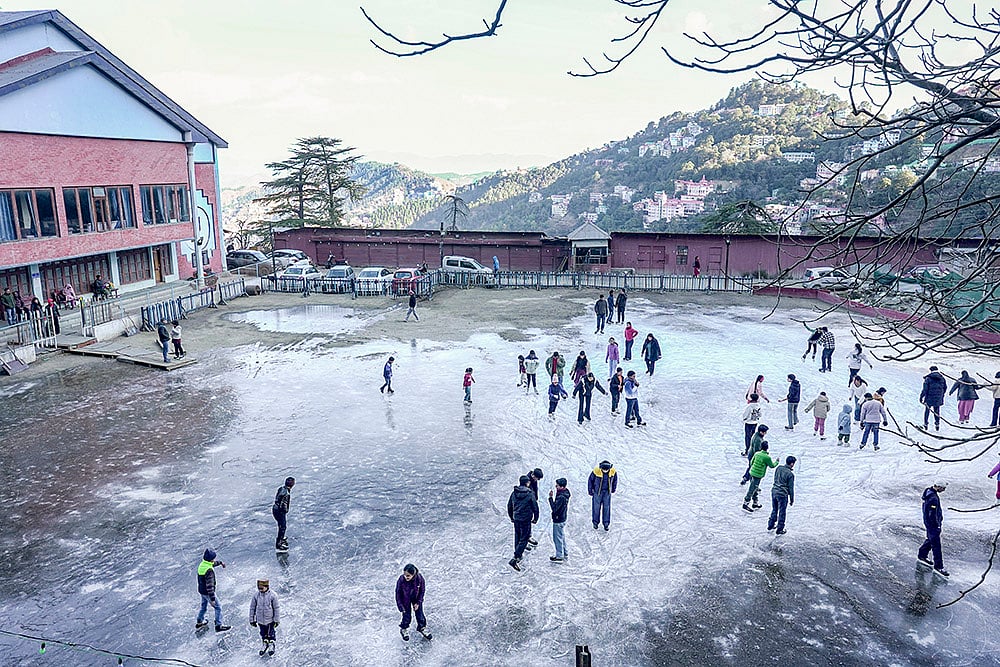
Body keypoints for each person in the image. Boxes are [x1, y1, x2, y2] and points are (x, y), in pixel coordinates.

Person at [917, 481, 950, 578]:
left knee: (930, 540)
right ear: (938, 487)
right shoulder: (933, 498)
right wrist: (937, 525)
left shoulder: (928, 491)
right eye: (943, 488)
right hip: (932, 525)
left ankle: (922, 554)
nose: (944, 490)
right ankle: (938, 566)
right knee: (936, 545)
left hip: (929, 523)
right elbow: (932, 514)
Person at [507, 475, 539, 571]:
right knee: (524, 538)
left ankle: (518, 553)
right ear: (527, 483)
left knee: (517, 536)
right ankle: (515, 558)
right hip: (526, 519)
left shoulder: (514, 493)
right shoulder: (529, 494)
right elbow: (535, 507)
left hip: (516, 518)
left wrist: (511, 517)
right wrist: (535, 518)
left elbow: (509, 506)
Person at [196, 548, 231, 632]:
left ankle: (199, 621)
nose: (214, 560)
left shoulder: (202, 564)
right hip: (208, 592)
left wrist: (220, 563)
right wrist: (212, 599)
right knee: (218, 607)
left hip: (202, 591)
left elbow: (212, 564)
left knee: (203, 606)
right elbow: (210, 586)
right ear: (211, 559)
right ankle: (218, 625)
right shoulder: (209, 570)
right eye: (213, 558)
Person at [395, 564, 431, 640]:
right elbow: (398, 593)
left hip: (416, 598)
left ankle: (422, 627)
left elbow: (422, 590)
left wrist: (418, 602)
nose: (406, 577)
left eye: (408, 575)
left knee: (420, 614)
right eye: (404, 574)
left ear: (413, 574)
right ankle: (404, 628)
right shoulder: (401, 580)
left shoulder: (419, 578)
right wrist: (400, 606)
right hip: (405, 599)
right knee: (406, 615)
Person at [743, 442, 778, 512]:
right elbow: (772, 465)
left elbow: (751, 462)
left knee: (754, 487)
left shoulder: (757, 454)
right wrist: (777, 462)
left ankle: (755, 502)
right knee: (752, 488)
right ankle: (745, 503)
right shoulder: (767, 457)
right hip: (758, 475)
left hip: (752, 472)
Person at [249, 579, 280, 657]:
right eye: (259, 588)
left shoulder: (273, 595)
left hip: (270, 620)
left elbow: (276, 608)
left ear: (267, 587)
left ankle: (271, 644)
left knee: (271, 633)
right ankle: (265, 643)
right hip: (260, 620)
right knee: (263, 633)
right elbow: (252, 607)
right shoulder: (256, 595)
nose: (260, 590)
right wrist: (252, 619)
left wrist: (276, 620)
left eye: (261, 588)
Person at [767, 456, 796, 534]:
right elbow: (791, 488)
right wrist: (792, 499)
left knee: (774, 509)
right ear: (792, 464)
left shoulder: (779, 468)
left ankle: (771, 524)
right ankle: (780, 528)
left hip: (774, 491)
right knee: (782, 512)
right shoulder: (790, 474)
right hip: (782, 494)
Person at [588, 460, 618, 530]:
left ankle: (606, 524)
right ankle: (595, 523)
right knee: (596, 508)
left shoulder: (613, 471)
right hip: (597, 493)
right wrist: (590, 490)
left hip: (607, 493)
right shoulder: (596, 471)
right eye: (604, 470)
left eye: (606, 470)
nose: (605, 471)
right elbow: (590, 480)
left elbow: (615, 480)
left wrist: (613, 489)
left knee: (606, 508)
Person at [549, 478, 571, 562]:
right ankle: (564, 552)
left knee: (557, 537)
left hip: (558, 519)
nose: (555, 486)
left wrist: (550, 498)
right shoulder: (565, 493)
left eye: (557, 485)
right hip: (563, 517)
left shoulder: (561, 497)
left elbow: (554, 508)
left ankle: (559, 555)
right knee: (561, 535)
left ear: (561, 487)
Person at [920, 366, 948, 430]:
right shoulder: (942, 378)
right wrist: (941, 394)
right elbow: (945, 387)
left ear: (930, 370)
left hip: (929, 397)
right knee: (937, 411)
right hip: (938, 397)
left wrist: (921, 397)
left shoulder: (928, 378)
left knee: (927, 411)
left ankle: (926, 424)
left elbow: (925, 389)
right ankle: (937, 424)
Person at [272, 476, 295, 552]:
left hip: (275, 508)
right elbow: (284, 504)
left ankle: (281, 538)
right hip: (279, 511)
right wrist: (285, 511)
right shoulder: (287, 493)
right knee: (283, 527)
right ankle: (279, 544)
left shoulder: (281, 488)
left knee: (280, 525)